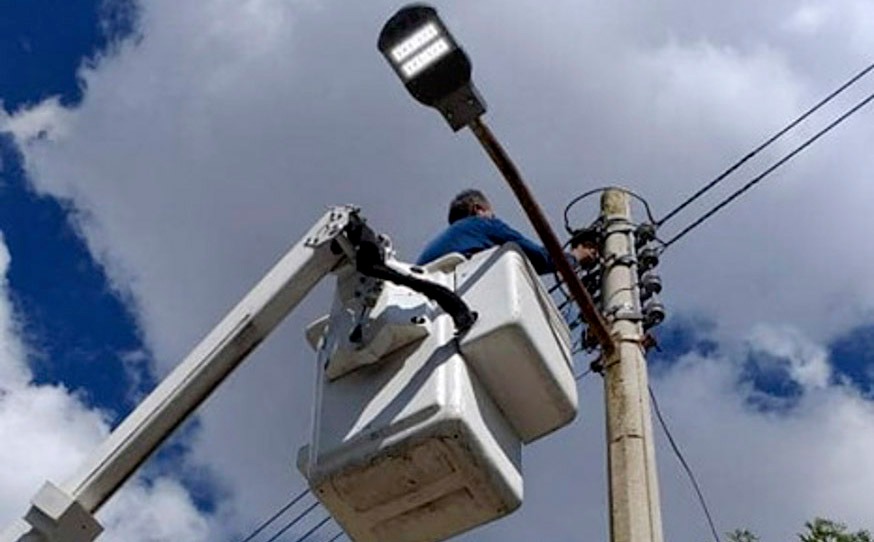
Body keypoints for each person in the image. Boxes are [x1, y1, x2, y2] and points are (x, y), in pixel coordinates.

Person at [417, 189, 598, 275]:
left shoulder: (438, 247)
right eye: (491, 213)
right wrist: (576, 257)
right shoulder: (481, 224)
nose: (493, 217)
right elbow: (539, 258)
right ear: (478, 209)